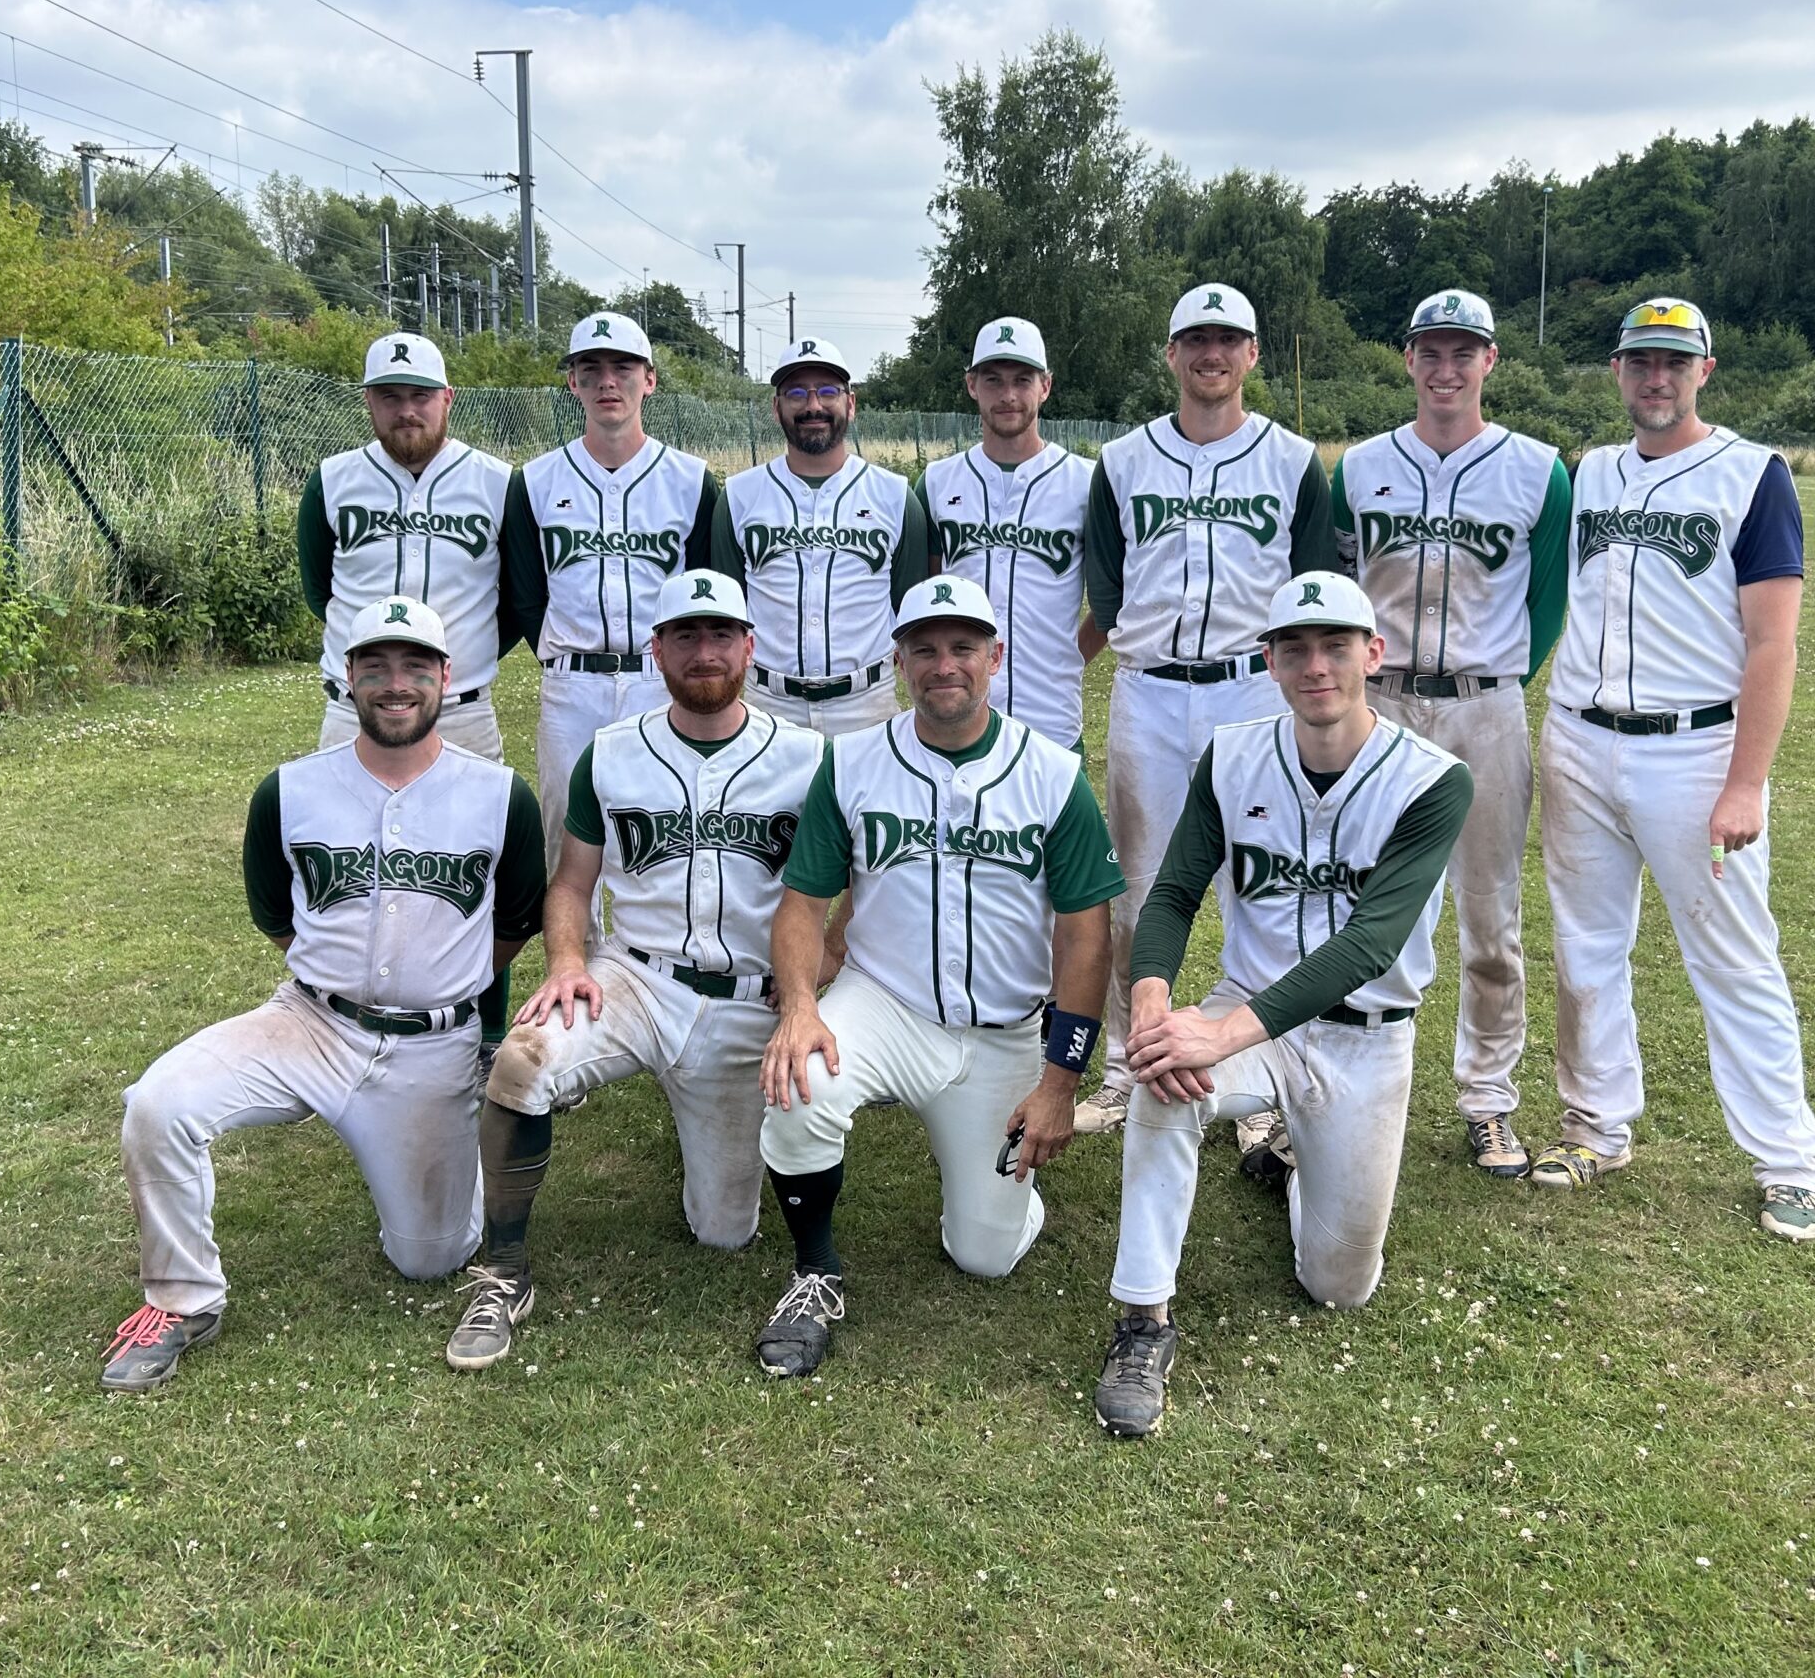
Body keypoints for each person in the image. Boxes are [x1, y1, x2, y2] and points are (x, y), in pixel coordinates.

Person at [99, 596, 546, 1392]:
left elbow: (515, 920)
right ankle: (181, 1299)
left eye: (415, 666)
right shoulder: (289, 790)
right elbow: (275, 913)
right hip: (309, 1024)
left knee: (431, 1259)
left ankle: (452, 1156)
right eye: (376, 666)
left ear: (447, 677)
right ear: (349, 677)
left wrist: (452, 993)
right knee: (158, 1105)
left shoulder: (500, 795)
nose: (396, 684)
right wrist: (336, 983)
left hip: (432, 1048)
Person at [1092, 572, 1471, 1439]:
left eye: (1336, 646)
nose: (1316, 667)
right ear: (1269, 661)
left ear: (1373, 655)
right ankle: (1144, 1322)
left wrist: (1220, 1032)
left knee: (1339, 1286)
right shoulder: (1232, 756)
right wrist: (1152, 997)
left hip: (1366, 1039)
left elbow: (1369, 945)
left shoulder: (1433, 781)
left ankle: (1297, 1162)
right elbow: (1173, 892)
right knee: (1164, 1080)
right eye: (1294, 649)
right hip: (1251, 1016)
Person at [750, 575, 1125, 1380]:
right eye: (923, 649)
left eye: (963, 648)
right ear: (899, 663)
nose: (943, 665)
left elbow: (1086, 940)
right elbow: (802, 905)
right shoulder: (853, 762)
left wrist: (1060, 1083)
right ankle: (815, 1274)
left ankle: (1003, 1197)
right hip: (886, 1007)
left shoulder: (1050, 773)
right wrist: (803, 1007)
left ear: (996, 657)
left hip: (1004, 1034)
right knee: (802, 1080)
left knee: (985, 1255)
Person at [445, 569, 820, 1370]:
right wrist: (567, 960)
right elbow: (571, 884)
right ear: (657, 650)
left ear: (750, 647)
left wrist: (807, 992)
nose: (704, 651)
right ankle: (503, 1272)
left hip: (749, 1000)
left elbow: (843, 890)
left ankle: (695, 1121)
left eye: (721, 634)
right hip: (637, 981)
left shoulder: (808, 758)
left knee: (725, 1233)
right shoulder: (611, 753)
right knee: (521, 1061)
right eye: (685, 635)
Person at [1533, 296, 1815, 1243]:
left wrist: (1746, 783)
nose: (1655, 378)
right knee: (1585, 947)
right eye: (1640, 361)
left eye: (1674, 362)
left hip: (1696, 750)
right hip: (1579, 739)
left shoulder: (1752, 473)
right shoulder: (1593, 471)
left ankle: (1788, 1161)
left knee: (1733, 958)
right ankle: (1596, 1126)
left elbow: (1773, 644)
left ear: (1705, 370)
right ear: (1617, 371)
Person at [1075, 284, 1339, 1137]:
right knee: (1136, 887)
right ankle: (1126, 1067)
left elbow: (1313, 584)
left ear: (1252, 353)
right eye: (1195, 339)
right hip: (1150, 690)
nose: (1211, 353)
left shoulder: (1292, 459)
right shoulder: (1124, 460)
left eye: (1228, 339)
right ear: (1172, 353)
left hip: (1252, 688)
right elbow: (1106, 581)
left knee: (1258, 885)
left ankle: (1256, 1074)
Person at [1329, 288, 1571, 1181]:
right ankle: (1334, 1079)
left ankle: (1488, 1100)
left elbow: (1548, 602)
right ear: (1408, 359)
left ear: (1489, 361)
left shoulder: (1538, 469)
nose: (1445, 368)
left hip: (1484, 706)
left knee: (1489, 912)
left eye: (1463, 351)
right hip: (1381, 704)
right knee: (1353, 898)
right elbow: (1335, 590)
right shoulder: (1360, 467)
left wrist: (1497, 683)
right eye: (1430, 351)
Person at [502, 311, 719, 876]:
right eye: (590, 368)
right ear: (572, 381)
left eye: (622, 367)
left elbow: (708, 591)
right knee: (565, 841)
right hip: (571, 685)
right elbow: (525, 593)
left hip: (658, 680)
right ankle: (576, 937)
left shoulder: (690, 479)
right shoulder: (536, 480)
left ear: (649, 379)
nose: (607, 381)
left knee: (664, 837)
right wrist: (560, 655)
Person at [298, 333, 514, 760]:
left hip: (461, 711)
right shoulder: (331, 479)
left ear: (448, 397)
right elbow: (319, 589)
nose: (406, 411)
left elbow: (519, 598)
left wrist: (474, 647)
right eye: (390, 397)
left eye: (421, 395)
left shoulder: (498, 481)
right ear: (368, 401)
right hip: (355, 711)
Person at [710, 337, 930, 736]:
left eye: (828, 391)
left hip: (866, 702)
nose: (813, 405)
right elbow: (727, 614)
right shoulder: (739, 496)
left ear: (851, 403)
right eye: (796, 393)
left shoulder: (896, 496)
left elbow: (910, 609)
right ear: (776, 408)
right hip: (768, 704)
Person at [914, 317, 1102, 750]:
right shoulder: (938, 481)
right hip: (955, 717)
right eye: (993, 380)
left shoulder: (1086, 481)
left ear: (1045, 386)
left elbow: (1112, 600)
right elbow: (920, 592)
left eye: (1022, 380)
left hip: (1051, 714)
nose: (1008, 395)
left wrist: (1070, 658)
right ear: (972, 385)